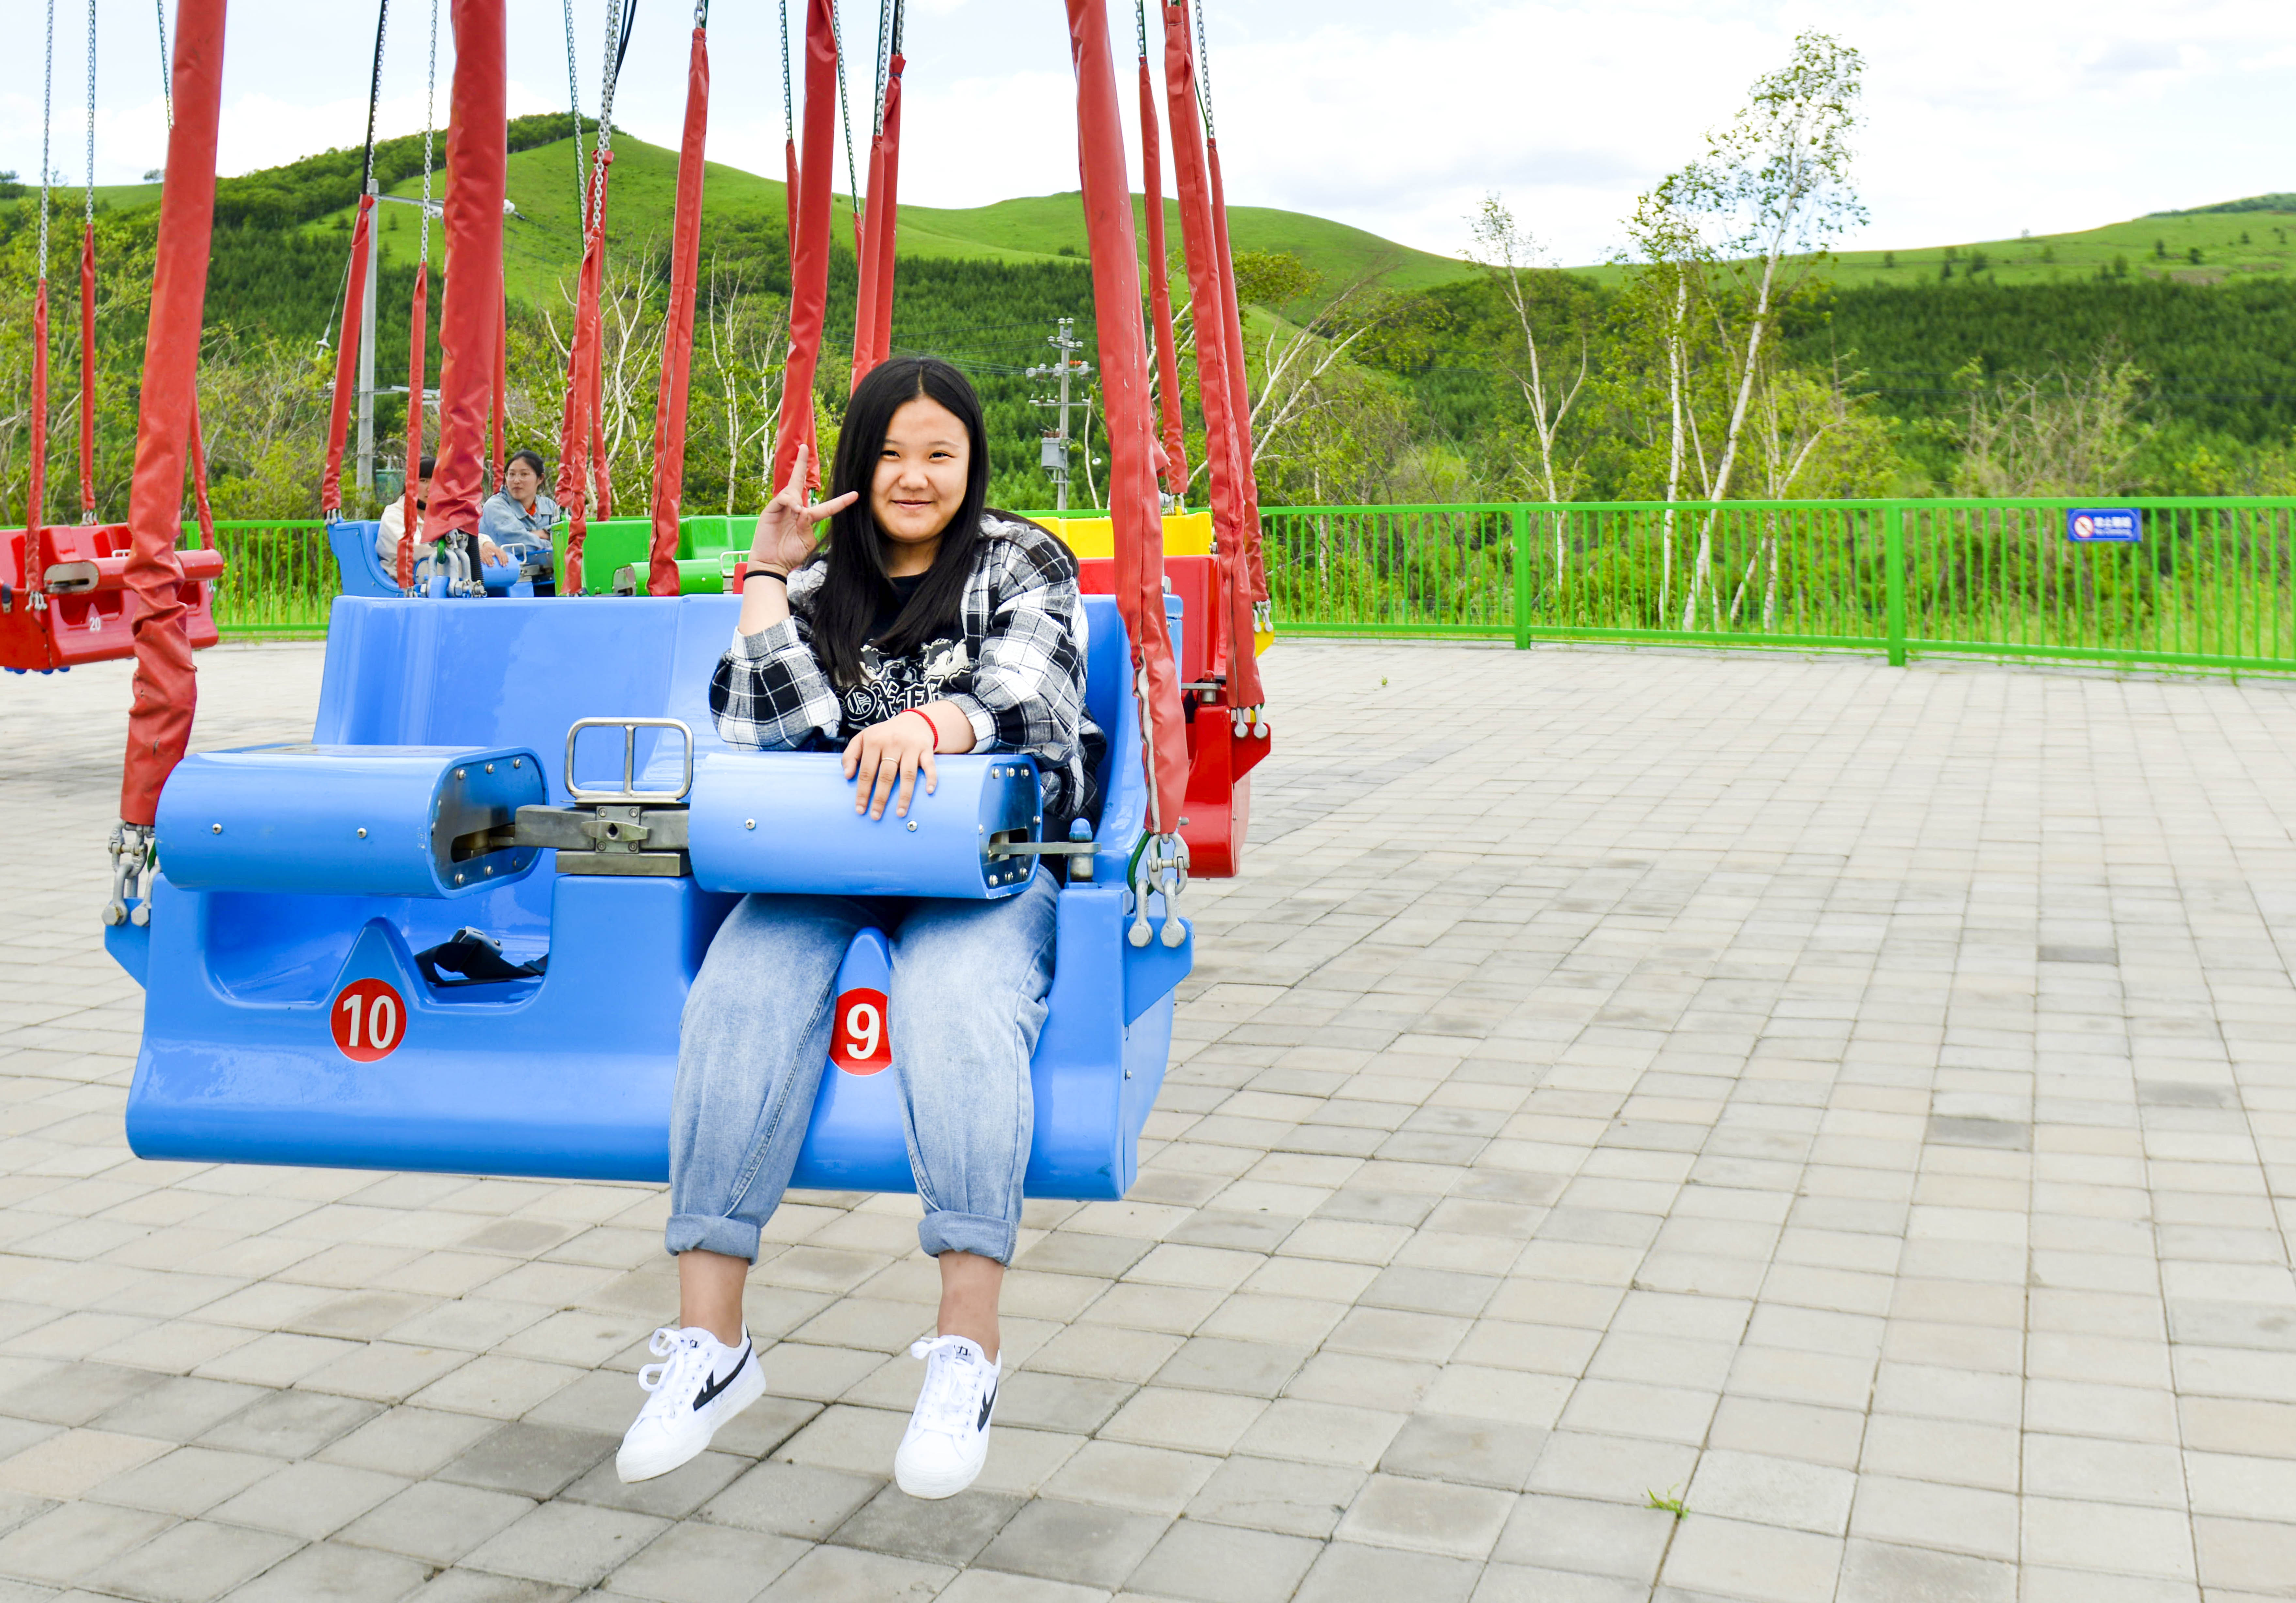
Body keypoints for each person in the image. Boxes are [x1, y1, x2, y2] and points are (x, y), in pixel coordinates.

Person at [614, 357, 1098, 1501]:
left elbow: (1035, 695)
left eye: (939, 453)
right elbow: (761, 729)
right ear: (856, 463)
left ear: (971, 463)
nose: (914, 476)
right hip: (834, 858)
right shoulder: (826, 577)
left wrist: (935, 722)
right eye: (890, 453)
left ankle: (967, 1349)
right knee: (737, 991)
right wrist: (767, 574)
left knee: (956, 1006)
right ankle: (710, 1344)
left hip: (977, 863)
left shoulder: (1021, 560)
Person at [377, 455, 504, 582]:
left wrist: (486, 544)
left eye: (436, 481)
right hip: (407, 584)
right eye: (423, 481)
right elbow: (418, 549)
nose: (430, 488)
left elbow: (464, 533)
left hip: (438, 578)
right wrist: (471, 552)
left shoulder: (443, 512)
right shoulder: (394, 515)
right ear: (410, 484)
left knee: (496, 571)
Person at [481, 448, 561, 595]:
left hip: (546, 581)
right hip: (506, 584)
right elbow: (519, 544)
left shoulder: (549, 506)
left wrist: (532, 534)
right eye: (511, 475)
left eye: (524, 474)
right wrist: (549, 540)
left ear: (540, 479)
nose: (516, 481)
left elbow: (567, 536)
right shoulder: (496, 506)